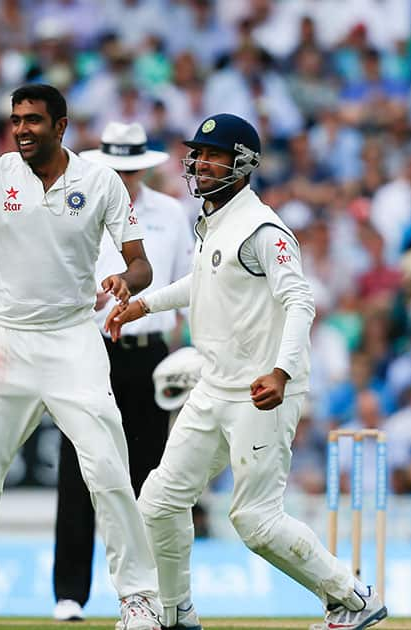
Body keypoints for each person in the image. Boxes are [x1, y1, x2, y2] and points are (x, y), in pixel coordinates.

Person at [0, 78, 164, 630]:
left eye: (33, 120)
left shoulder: (101, 180)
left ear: (60, 126)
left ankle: (138, 599)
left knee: (109, 470)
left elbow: (142, 265)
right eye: (16, 120)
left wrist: (122, 281)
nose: (21, 129)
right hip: (3, 341)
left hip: (73, 340)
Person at [107, 114, 388, 630]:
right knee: (160, 501)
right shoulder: (214, 222)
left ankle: (353, 598)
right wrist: (144, 307)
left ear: (244, 165)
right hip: (215, 386)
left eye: (214, 155)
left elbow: (300, 301)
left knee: (255, 521)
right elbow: (203, 283)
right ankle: (175, 612)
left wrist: (281, 373)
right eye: (198, 153)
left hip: (262, 392)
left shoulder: (263, 229)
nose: (201, 163)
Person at [51, 121, 194, 622]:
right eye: (116, 168)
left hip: (147, 348)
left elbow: (182, 285)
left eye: (132, 169)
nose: (124, 177)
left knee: (149, 474)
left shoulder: (171, 214)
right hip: (89, 347)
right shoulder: (81, 205)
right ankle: (70, 593)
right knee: (79, 469)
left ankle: (146, 593)